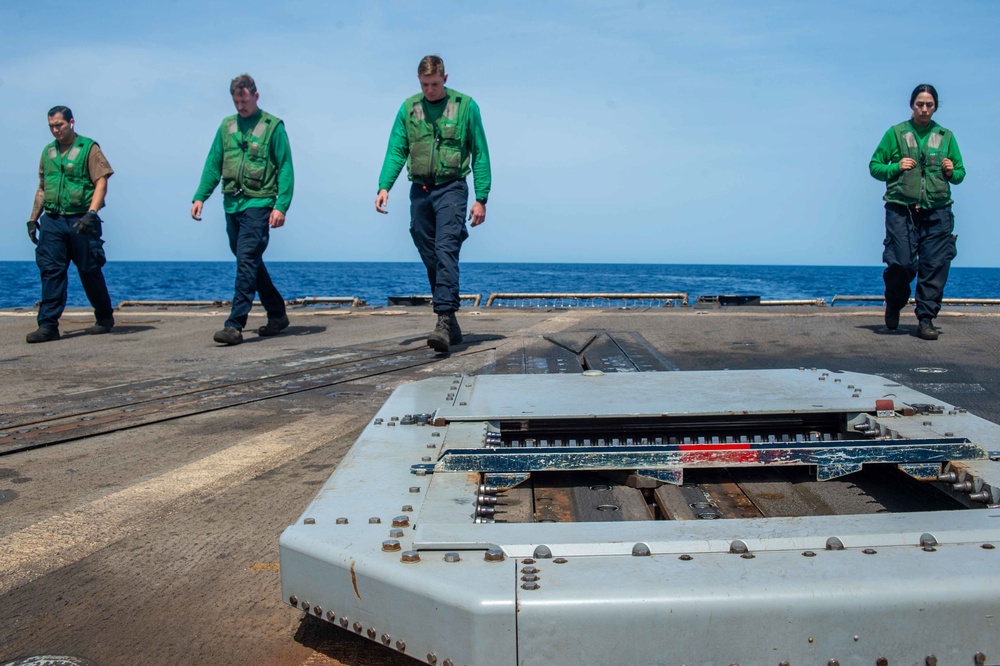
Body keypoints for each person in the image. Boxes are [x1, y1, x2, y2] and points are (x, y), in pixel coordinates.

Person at [375, 55, 491, 353]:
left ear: (445, 78)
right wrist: (384, 185)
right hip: (420, 191)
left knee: (445, 250)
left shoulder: (466, 107)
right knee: (430, 253)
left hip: (452, 188)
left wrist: (481, 197)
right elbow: (397, 148)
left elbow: (479, 152)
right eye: (424, 84)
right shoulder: (409, 108)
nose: (429, 90)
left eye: (435, 84)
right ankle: (450, 319)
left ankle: (442, 319)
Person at [191, 74, 294, 346]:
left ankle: (234, 325)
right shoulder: (226, 127)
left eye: (245, 101)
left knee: (246, 259)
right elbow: (214, 164)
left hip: (259, 203)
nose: (241, 107)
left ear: (256, 96)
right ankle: (277, 314)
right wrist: (201, 196)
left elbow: (285, 167)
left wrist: (281, 205)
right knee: (249, 260)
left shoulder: (273, 127)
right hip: (232, 203)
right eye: (236, 102)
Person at [870, 84, 965, 341]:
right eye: (920, 104)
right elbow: (875, 167)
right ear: (912, 105)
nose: (924, 109)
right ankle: (894, 301)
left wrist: (950, 172)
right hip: (901, 209)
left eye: (929, 105)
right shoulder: (896, 133)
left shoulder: (946, 136)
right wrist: (896, 167)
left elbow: (960, 174)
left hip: (938, 211)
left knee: (934, 265)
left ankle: (926, 319)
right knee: (901, 263)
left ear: (935, 107)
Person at [25, 106, 115, 344]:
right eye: (51, 126)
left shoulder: (88, 148)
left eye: (59, 125)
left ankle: (104, 317)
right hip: (53, 220)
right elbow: (43, 187)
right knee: (51, 271)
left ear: (71, 122)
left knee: (89, 269)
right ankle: (47, 325)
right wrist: (33, 219)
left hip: (81, 219)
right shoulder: (48, 152)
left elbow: (101, 181)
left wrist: (91, 214)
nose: (56, 130)